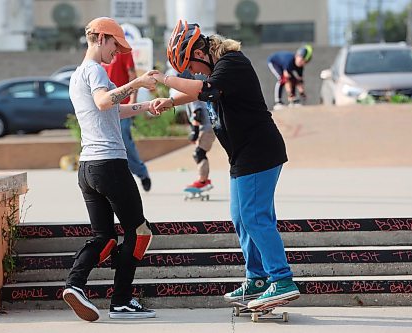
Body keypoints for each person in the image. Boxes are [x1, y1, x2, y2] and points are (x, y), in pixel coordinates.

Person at [151, 20, 300, 308]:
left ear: (202, 52)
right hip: (243, 154)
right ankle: (257, 279)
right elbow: (200, 89)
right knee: (241, 218)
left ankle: (281, 279)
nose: (192, 71)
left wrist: (165, 79)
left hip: (259, 151)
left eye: (191, 65)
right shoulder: (220, 68)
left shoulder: (233, 63)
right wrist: (170, 103)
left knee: (255, 217)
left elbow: (205, 89)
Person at [62, 17, 159, 321]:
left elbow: (112, 109)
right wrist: (137, 83)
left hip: (88, 167)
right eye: (116, 45)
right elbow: (105, 102)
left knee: (104, 236)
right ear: (102, 38)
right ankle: (121, 301)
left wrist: (147, 106)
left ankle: (75, 285)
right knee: (140, 231)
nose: (117, 53)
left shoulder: (79, 74)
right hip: (110, 165)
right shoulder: (95, 71)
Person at [102, 52, 152, 192]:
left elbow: (132, 76)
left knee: (125, 142)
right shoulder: (97, 56)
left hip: (122, 107)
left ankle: (142, 172)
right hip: (104, 108)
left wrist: (133, 100)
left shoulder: (123, 53)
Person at [184, 92, 216, 190]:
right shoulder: (193, 93)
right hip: (208, 127)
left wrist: (195, 133)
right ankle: (204, 180)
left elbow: (197, 114)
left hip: (206, 128)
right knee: (199, 153)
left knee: (199, 153)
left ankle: (203, 181)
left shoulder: (190, 95)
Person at [267, 45, 313, 110]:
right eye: (301, 59)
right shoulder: (289, 61)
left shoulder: (300, 67)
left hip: (284, 66)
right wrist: (290, 94)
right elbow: (287, 79)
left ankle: (293, 101)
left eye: (304, 62)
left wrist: (302, 92)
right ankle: (278, 102)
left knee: (294, 80)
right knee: (282, 79)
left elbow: (300, 81)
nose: (301, 62)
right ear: (297, 56)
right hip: (274, 62)